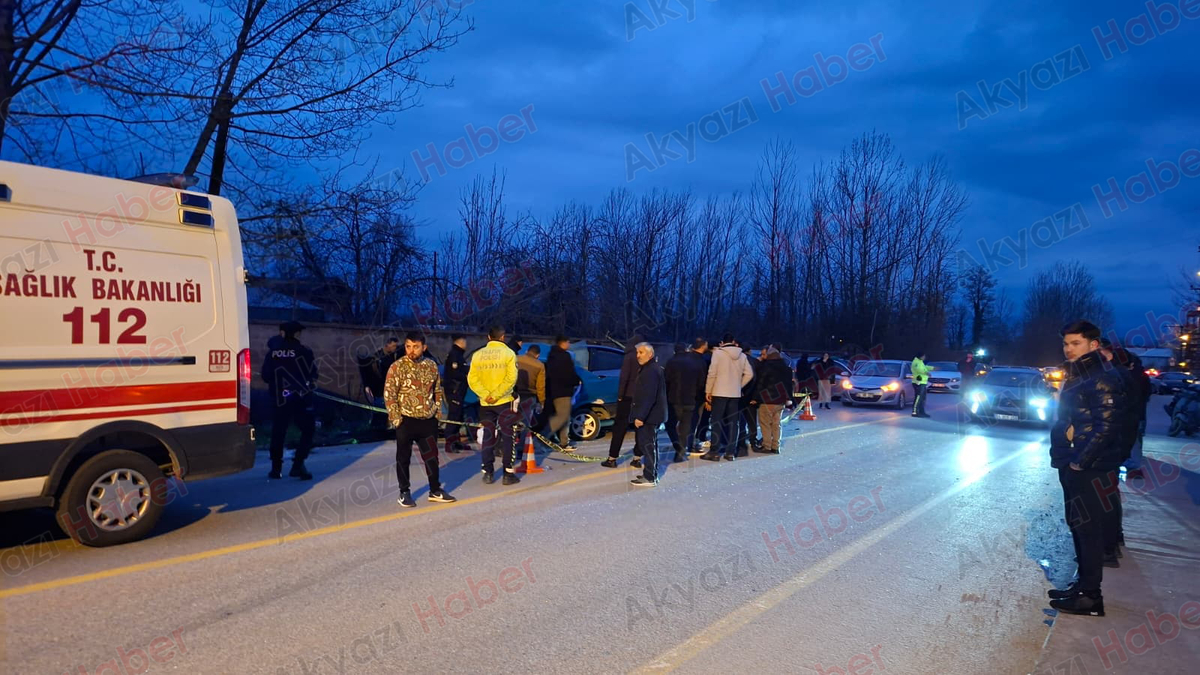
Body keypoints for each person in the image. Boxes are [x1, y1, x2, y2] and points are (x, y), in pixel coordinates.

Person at [1046, 320, 1128, 617]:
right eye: (1066, 343)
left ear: (1094, 345)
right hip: (1075, 462)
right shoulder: (1079, 374)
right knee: (1078, 526)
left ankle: (1091, 596)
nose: (1069, 349)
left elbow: (1107, 426)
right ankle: (1083, 585)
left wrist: (1080, 461)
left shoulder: (1101, 377)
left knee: (1088, 529)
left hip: (1090, 467)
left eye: (1075, 343)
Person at [384, 333, 456, 507]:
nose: (411, 350)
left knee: (431, 457)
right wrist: (396, 418)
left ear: (424, 347)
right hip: (406, 420)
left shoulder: (431, 366)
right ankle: (404, 492)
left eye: (415, 346)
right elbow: (389, 393)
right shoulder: (397, 367)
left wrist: (437, 413)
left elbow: (437, 391)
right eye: (408, 346)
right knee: (403, 458)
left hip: (427, 420)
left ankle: (435, 490)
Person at [261, 321, 316, 480]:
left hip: (279, 398)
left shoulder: (273, 353)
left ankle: (275, 469)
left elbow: (265, 376)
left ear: (282, 333)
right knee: (308, 429)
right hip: (299, 399)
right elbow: (312, 375)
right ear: (297, 334)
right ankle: (298, 465)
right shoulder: (304, 352)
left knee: (278, 432)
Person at [467, 326, 521, 485]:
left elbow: (472, 379)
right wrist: (497, 395)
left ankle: (488, 472)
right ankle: (507, 473)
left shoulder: (477, 355)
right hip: (504, 401)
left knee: (488, 436)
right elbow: (511, 378)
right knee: (507, 435)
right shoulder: (509, 354)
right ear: (503, 337)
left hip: (485, 403)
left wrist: (486, 395)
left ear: (488, 337)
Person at [700, 334, 754, 462]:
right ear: (734, 341)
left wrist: (708, 390)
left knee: (716, 422)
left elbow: (712, 373)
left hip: (719, 392)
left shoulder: (718, 354)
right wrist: (738, 385)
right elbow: (749, 374)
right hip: (734, 394)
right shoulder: (742, 355)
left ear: (722, 342)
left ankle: (714, 451)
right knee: (733, 423)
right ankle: (731, 452)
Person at [601, 333, 645, 469]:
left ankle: (612, 458)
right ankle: (637, 458)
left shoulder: (629, 357)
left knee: (620, 427)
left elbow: (624, 378)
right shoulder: (647, 359)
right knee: (640, 428)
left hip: (627, 397)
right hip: (641, 398)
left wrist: (620, 395)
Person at [629, 343, 668, 487]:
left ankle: (650, 477)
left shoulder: (650, 371)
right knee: (649, 445)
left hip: (650, 416)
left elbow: (649, 396)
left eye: (641, 352)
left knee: (649, 446)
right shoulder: (650, 368)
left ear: (650, 354)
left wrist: (640, 416)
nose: (638, 355)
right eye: (637, 352)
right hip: (652, 415)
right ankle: (649, 473)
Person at [664, 343, 704, 463]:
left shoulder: (671, 362)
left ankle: (679, 448)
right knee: (685, 426)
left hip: (674, 399)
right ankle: (681, 449)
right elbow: (701, 382)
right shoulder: (694, 362)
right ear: (686, 350)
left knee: (670, 425)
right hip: (690, 399)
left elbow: (666, 381)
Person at [544, 336, 581, 451]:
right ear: (563, 343)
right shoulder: (564, 357)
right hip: (564, 391)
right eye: (568, 341)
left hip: (552, 391)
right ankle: (542, 436)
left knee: (565, 417)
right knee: (563, 416)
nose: (569, 344)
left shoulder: (551, 356)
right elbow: (569, 374)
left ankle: (564, 442)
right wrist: (576, 380)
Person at [755, 346, 793, 454]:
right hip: (780, 399)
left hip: (767, 399)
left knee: (765, 423)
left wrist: (755, 398)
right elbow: (789, 385)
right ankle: (776, 446)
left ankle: (767, 445)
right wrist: (789, 398)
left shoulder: (765, 367)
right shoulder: (786, 367)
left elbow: (760, 384)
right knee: (776, 424)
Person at [360, 337, 399, 431]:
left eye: (396, 346)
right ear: (388, 345)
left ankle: (383, 428)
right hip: (379, 389)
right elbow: (375, 374)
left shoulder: (392, 356)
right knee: (379, 410)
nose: (395, 348)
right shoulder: (378, 358)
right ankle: (377, 429)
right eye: (393, 346)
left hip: (388, 389)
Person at [442, 334, 471, 454]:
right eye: (465, 341)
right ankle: (449, 443)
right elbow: (454, 373)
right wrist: (467, 376)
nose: (466, 344)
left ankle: (456, 441)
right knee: (454, 416)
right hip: (454, 390)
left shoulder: (458, 354)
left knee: (459, 415)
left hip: (459, 390)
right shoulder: (454, 355)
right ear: (460, 341)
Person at [516, 343, 547, 443]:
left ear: (527, 351)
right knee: (525, 423)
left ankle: (507, 446)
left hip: (513, 394)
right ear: (537, 355)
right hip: (529, 396)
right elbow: (540, 386)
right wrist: (541, 401)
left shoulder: (516, 359)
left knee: (510, 420)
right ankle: (521, 448)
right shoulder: (540, 365)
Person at [688, 338, 712, 454]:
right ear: (703, 346)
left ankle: (684, 443)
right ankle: (690, 444)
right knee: (693, 420)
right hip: (697, 395)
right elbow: (702, 381)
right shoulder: (702, 361)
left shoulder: (687, 358)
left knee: (686, 420)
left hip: (685, 394)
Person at [738, 344, 760, 455]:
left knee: (739, 420)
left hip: (738, 395)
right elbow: (758, 381)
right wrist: (756, 396)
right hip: (751, 396)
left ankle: (740, 442)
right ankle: (753, 441)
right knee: (752, 420)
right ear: (750, 351)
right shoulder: (755, 362)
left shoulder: (737, 361)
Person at [911, 350, 932, 418]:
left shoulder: (920, 362)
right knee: (918, 397)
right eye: (924, 356)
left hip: (923, 382)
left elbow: (924, 368)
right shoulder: (916, 362)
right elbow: (919, 370)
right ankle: (915, 412)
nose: (924, 357)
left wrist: (932, 368)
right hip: (918, 382)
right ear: (921, 356)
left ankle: (922, 412)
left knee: (922, 398)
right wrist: (927, 373)